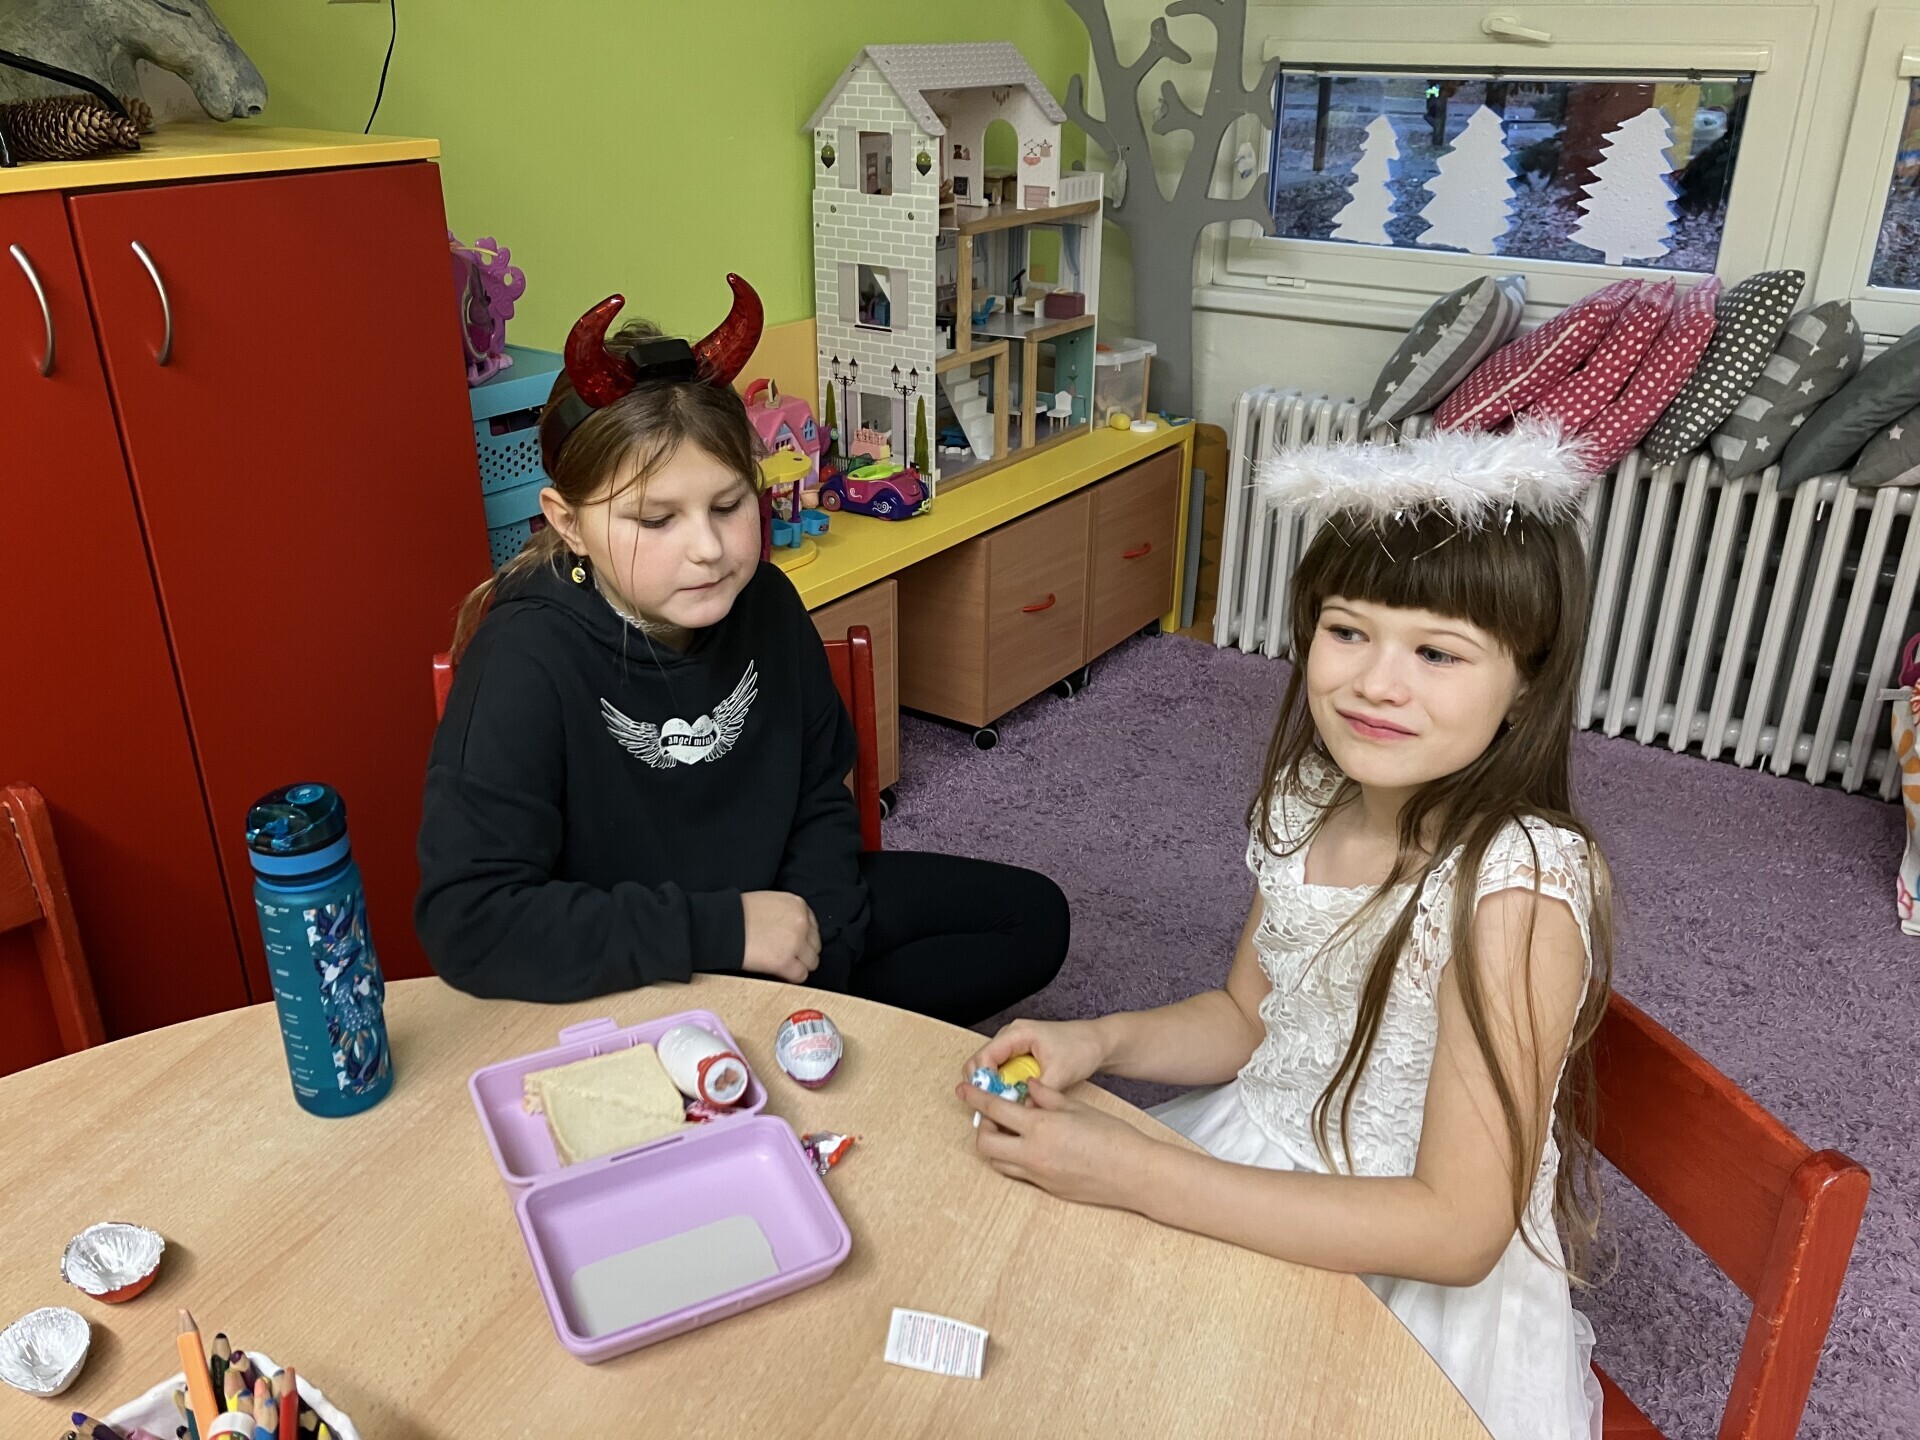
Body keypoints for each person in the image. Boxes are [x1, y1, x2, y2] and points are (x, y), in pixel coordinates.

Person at [960, 424, 1615, 1440]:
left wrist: (1134, 1171)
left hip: (1398, 1279)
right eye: (1349, 632)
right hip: (1257, 1154)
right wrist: (1100, 1041)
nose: (1376, 683)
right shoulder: (1312, 800)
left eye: (1437, 652)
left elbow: (1456, 1231)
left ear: (1526, 679)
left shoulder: (1517, 889)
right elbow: (1246, 1018)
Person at [417, 278, 1067, 1026]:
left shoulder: (766, 602)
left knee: (1032, 919)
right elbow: (469, 921)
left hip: (780, 918)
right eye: (655, 520)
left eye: (728, 505)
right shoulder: (522, 659)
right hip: (638, 967)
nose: (709, 548)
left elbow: (820, 798)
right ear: (568, 524)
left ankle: (796, 1031)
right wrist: (726, 931)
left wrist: (818, 965)